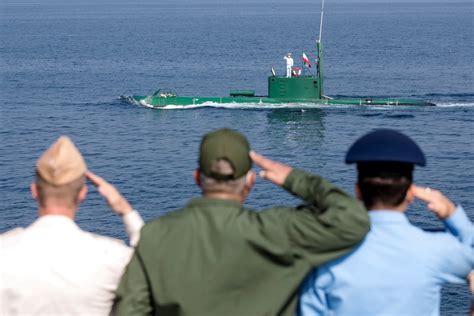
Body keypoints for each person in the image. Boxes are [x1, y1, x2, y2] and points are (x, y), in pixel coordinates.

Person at [113, 128, 369, 316]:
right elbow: (352, 219)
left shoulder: (156, 235)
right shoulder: (281, 231)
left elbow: (129, 310)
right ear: (250, 182)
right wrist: (293, 178)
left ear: (197, 177)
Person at [299, 129, 474, 316]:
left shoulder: (325, 252)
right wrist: (451, 214)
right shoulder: (436, 249)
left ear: (358, 191)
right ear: (410, 194)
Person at [0, 136, 144, 315]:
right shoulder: (112, 256)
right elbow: (153, 265)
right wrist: (125, 210)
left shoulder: (4, 251)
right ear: (82, 193)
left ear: (35, 190)